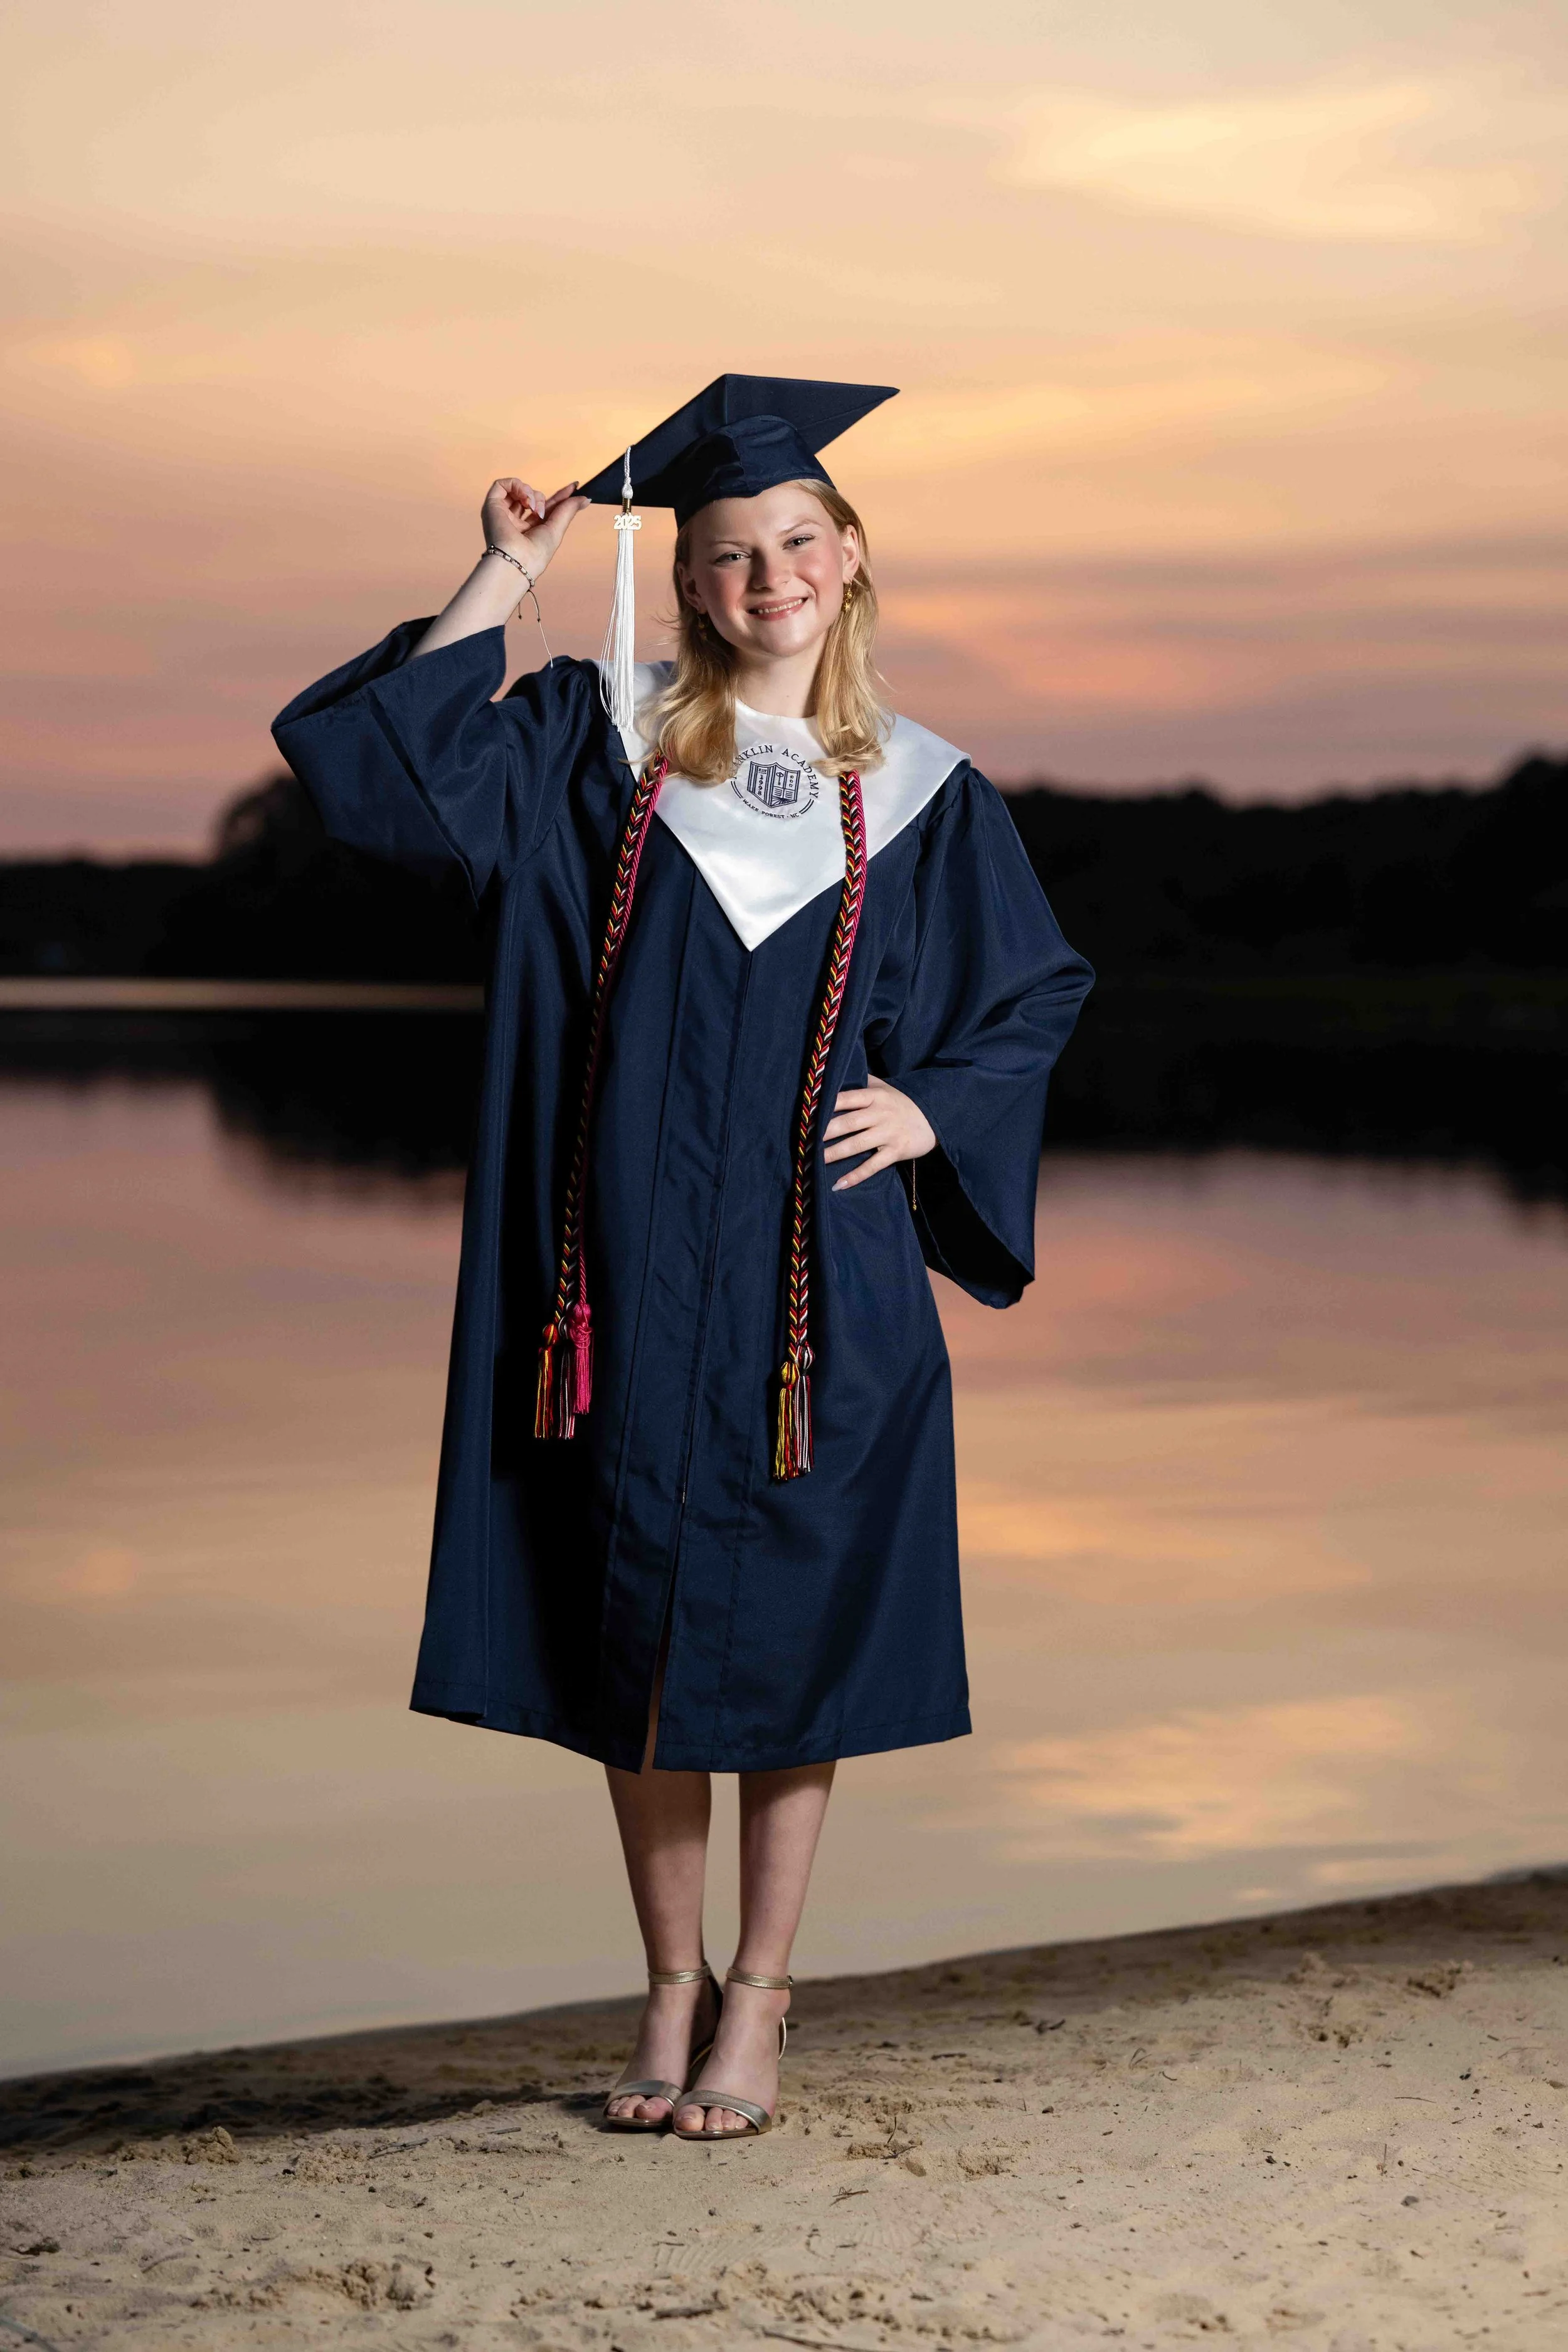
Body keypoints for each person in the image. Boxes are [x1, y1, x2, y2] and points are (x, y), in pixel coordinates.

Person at [272, 375, 1093, 2143]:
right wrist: (501, 576)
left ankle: (759, 2000)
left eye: (798, 540)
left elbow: (1031, 991)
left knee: (794, 1640)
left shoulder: (928, 792)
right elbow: (386, 772)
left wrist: (934, 1113)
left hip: (826, 1296)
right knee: (635, 1625)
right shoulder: (596, 739)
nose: (766, 573)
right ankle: (661, 1987)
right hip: (622, 1281)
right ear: (690, 580)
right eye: (727, 553)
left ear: (852, 560)